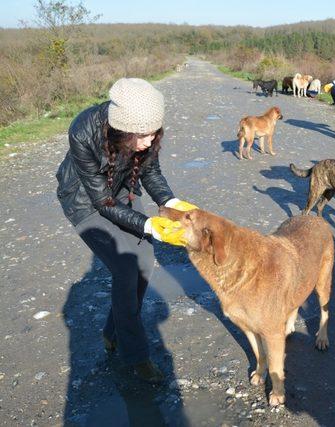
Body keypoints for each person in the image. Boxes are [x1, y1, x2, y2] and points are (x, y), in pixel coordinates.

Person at [56, 78, 197, 383]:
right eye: (143, 136)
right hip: (84, 199)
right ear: (121, 130)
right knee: (125, 265)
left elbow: (151, 172)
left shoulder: (145, 135)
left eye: (154, 134)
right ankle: (136, 356)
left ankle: (112, 330)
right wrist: (149, 225)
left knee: (145, 257)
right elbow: (102, 203)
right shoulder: (82, 131)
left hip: (119, 189)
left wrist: (171, 204)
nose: (149, 141)